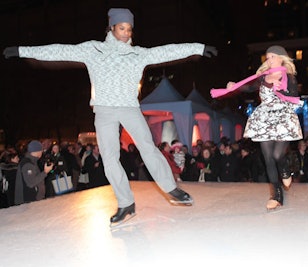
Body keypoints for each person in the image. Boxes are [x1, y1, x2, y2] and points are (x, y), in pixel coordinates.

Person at [3, 8, 217, 225]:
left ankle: (171, 188)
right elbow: (59, 50)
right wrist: (21, 51)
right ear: (112, 27)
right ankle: (126, 203)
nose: (126, 33)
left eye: (130, 29)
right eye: (122, 28)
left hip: (129, 108)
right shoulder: (93, 50)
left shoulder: (137, 54)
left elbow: (167, 51)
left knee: (147, 146)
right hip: (104, 111)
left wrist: (198, 48)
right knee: (109, 158)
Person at [223, 45, 303, 209]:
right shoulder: (263, 76)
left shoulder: (289, 76)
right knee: (267, 158)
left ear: (281, 58)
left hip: (283, 117)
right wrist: (235, 86)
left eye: (273, 56)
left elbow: (294, 96)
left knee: (277, 154)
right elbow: (249, 87)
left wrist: (281, 87)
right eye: (268, 57)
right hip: (264, 118)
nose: (269, 59)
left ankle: (285, 170)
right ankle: (277, 195)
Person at [14, 140, 54, 205]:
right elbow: (31, 183)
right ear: (37, 151)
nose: (42, 152)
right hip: (28, 202)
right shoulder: (28, 164)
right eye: (41, 150)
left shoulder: (33, 162)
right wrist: (45, 172)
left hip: (33, 200)